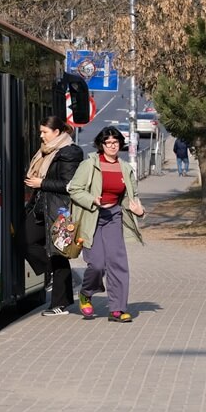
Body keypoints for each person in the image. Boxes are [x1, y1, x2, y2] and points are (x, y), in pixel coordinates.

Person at [67, 126, 145, 322]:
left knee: (118, 263)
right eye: (108, 143)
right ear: (101, 145)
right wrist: (92, 199)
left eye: (116, 142)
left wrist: (139, 211)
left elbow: (131, 197)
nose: (112, 146)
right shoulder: (90, 165)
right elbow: (74, 189)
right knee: (97, 264)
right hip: (91, 217)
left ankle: (117, 309)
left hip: (114, 216)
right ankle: (86, 293)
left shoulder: (125, 168)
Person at [23, 116, 83, 316]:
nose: (41, 136)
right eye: (41, 131)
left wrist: (41, 184)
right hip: (42, 208)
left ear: (57, 132)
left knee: (58, 254)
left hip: (60, 211)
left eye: (45, 132)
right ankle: (63, 282)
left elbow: (70, 185)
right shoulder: (45, 151)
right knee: (25, 241)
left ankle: (59, 303)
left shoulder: (70, 152)